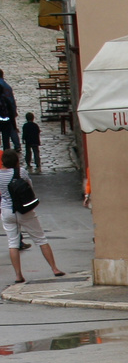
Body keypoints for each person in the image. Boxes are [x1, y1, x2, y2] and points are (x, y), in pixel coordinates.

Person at [3, 150, 65, 283]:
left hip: (7, 211)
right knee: (40, 239)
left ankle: (18, 275)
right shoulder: (21, 172)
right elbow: (29, 187)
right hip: (25, 211)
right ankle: (54, 268)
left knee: (13, 243)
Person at [0, 70, 17, 152]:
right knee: (6, 138)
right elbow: (10, 108)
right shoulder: (7, 88)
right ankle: (9, 150)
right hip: (6, 120)